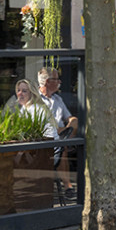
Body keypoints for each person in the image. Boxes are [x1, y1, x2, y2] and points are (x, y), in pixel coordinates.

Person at [37, 67, 77, 202]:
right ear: (48, 82)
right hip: (44, 140)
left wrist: (70, 124)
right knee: (62, 148)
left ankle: (66, 142)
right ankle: (68, 186)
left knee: (74, 122)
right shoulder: (35, 99)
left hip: (61, 135)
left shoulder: (58, 99)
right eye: (57, 79)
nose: (60, 82)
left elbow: (69, 118)